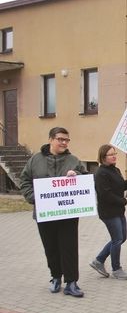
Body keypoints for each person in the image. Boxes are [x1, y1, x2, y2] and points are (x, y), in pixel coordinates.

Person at [20, 127, 87, 297]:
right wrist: (34, 197)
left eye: (67, 140)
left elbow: (86, 178)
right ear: (51, 139)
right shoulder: (35, 160)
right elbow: (25, 180)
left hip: (67, 214)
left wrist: (77, 175)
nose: (64, 142)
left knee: (69, 248)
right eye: (60, 139)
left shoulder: (73, 160)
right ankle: (56, 277)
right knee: (51, 247)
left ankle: (71, 283)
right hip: (45, 214)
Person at [89, 144, 127, 280]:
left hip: (118, 211)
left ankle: (98, 261)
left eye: (115, 154)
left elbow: (122, 186)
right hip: (108, 212)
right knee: (117, 239)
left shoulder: (115, 170)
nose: (114, 157)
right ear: (103, 157)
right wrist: (123, 201)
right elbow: (106, 195)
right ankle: (116, 269)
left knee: (121, 238)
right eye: (111, 155)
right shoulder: (100, 173)